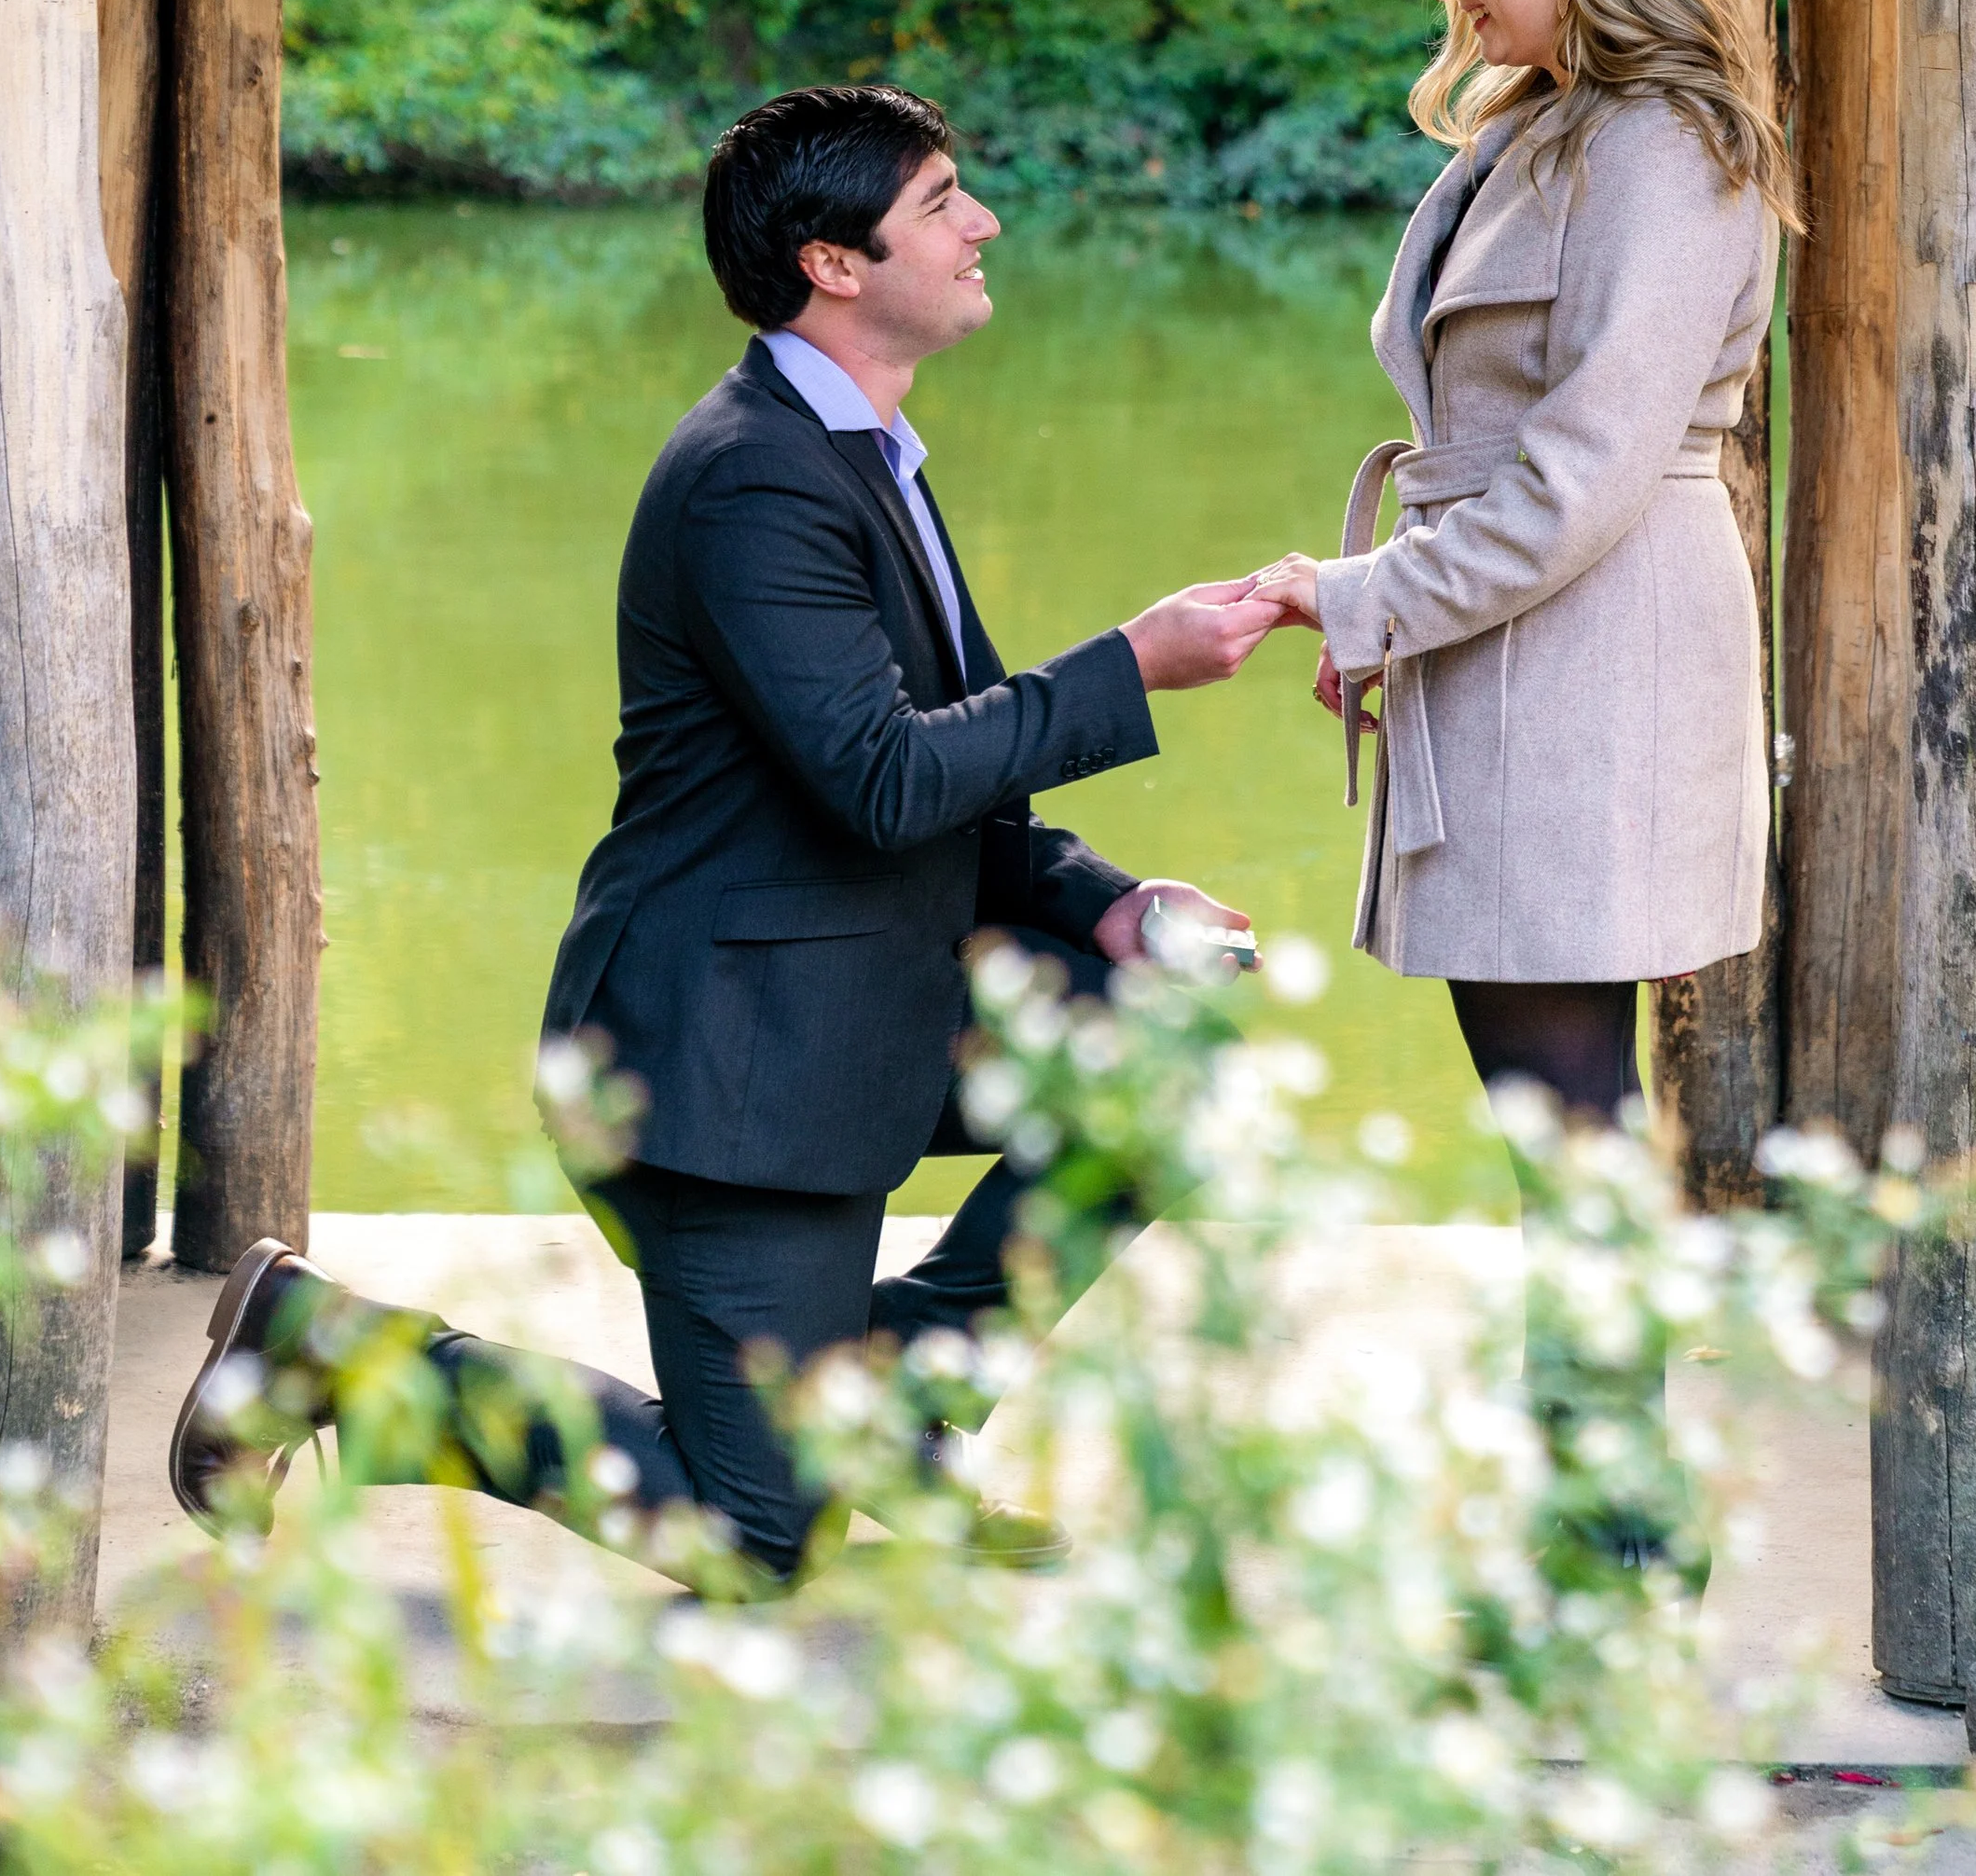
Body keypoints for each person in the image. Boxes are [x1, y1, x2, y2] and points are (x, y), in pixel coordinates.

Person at [170, 83, 1275, 1585]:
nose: (983, 221)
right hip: (722, 1066)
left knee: (1183, 1024)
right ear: (835, 261)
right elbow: (881, 778)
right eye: (944, 199)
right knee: (754, 1534)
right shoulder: (753, 476)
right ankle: (325, 1350)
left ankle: (888, 1407)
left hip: (865, 1001)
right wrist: (1126, 663)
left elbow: (954, 785)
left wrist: (1107, 905)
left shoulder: (869, 452)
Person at [1252, 0, 1798, 1141]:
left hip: (1597, 655)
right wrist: (1393, 617)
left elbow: (1586, 471)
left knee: (1563, 1117)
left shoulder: (1663, 145)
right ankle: (1581, 1365)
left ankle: (1594, 1367)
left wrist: (1369, 596)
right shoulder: (1541, 120)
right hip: (1525, 641)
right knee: (1546, 1114)